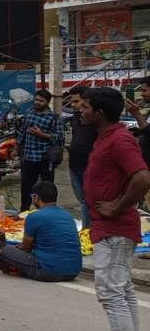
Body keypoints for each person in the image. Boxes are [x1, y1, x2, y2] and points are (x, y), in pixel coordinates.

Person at [79, 87, 148, 331]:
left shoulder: (120, 140)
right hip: (110, 228)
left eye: (85, 107)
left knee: (111, 294)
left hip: (115, 229)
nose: (81, 111)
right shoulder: (108, 137)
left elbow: (143, 177)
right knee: (124, 294)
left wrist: (118, 206)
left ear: (100, 112)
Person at [0, 182, 81, 282]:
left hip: (48, 271)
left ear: (36, 197)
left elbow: (25, 248)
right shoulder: (67, 215)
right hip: (73, 271)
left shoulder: (34, 217)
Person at [17, 90, 64, 212]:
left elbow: (59, 137)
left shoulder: (53, 117)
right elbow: (23, 133)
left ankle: (47, 212)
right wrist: (17, 148)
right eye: (36, 100)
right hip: (28, 158)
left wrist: (41, 134)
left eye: (41, 101)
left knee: (47, 189)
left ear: (47, 102)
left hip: (45, 159)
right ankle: (24, 212)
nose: (37, 102)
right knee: (26, 187)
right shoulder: (29, 113)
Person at [65, 85, 97, 228]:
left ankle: (87, 231)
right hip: (74, 166)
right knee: (83, 200)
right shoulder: (75, 118)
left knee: (88, 200)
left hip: (89, 167)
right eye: (71, 102)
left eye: (76, 102)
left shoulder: (95, 120)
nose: (73, 105)